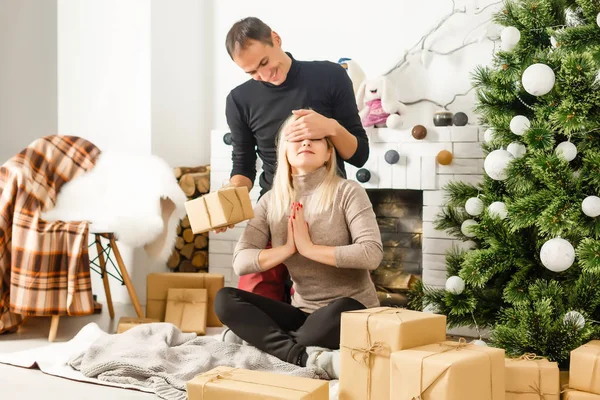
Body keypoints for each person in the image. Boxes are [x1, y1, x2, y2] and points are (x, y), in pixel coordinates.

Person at [214, 114, 382, 378]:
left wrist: (309, 249)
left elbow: (371, 254)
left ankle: (263, 341)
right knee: (225, 299)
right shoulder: (271, 201)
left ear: (329, 153)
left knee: (339, 309)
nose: (306, 142)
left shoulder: (348, 191)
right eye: (297, 139)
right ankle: (302, 355)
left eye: (315, 138)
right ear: (285, 153)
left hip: (350, 310)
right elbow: (241, 262)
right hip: (302, 314)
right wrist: (287, 250)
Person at [218, 17, 370, 302]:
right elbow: (243, 167)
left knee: (337, 306)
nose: (264, 75)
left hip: (329, 208)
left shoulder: (331, 76)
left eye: (264, 63)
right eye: (252, 72)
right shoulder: (239, 99)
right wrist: (229, 201)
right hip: (274, 206)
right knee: (251, 303)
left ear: (276, 39)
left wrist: (331, 127)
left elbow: (360, 154)